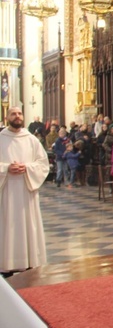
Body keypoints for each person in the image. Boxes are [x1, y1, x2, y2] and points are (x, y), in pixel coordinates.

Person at [0, 107, 50, 276]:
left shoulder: (31, 139)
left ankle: (29, 261)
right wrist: (6, 168)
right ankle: (6, 264)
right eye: (13, 113)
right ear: (7, 117)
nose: (17, 116)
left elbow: (43, 164)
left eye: (20, 113)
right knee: (7, 226)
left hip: (26, 190)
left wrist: (26, 168)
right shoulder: (1, 138)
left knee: (28, 225)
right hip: (6, 191)